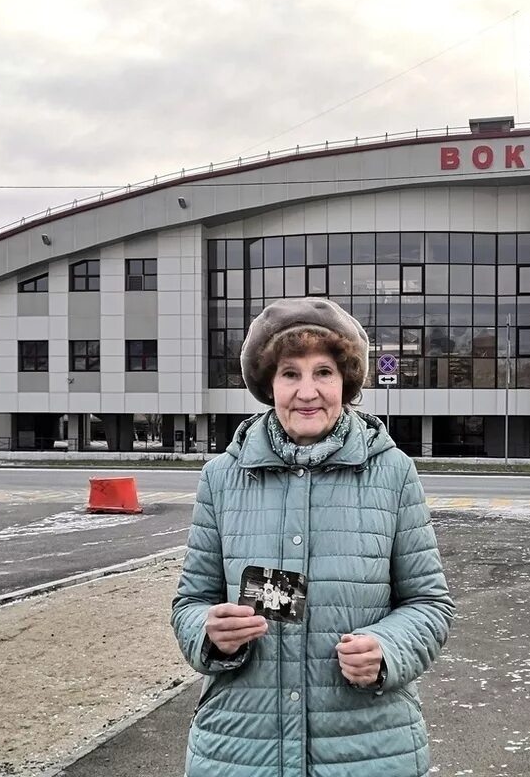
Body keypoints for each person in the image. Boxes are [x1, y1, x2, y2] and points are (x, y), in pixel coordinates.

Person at [172, 296, 454, 777]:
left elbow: (430, 603)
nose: (308, 391)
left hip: (368, 749)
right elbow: (190, 602)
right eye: (290, 373)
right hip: (240, 749)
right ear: (269, 384)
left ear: (346, 381)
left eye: (323, 372)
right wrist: (210, 633)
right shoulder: (222, 477)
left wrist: (388, 649)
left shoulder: (393, 473)